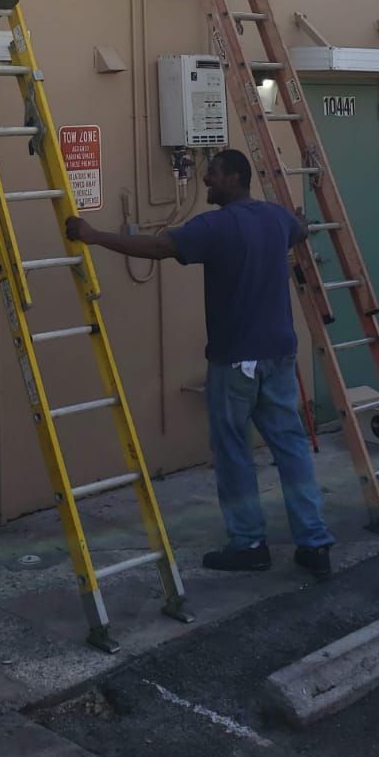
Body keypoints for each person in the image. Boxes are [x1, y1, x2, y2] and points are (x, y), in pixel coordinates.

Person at [67, 148, 333, 579]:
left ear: (233, 177)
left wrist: (93, 236)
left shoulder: (215, 227)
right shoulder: (277, 218)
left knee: (233, 453)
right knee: (291, 448)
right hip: (280, 355)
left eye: (212, 175)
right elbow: (300, 229)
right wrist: (302, 220)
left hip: (235, 363)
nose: (205, 181)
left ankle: (248, 544)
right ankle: (315, 543)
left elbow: (157, 247)